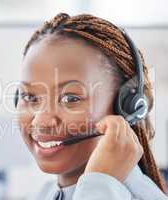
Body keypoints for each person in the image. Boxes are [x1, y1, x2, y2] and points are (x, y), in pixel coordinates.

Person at [15, 13, 168, 199]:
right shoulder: (46, 193)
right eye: (29, 97)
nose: (41, 121)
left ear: (127, 107)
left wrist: (100, 183)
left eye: (70, 99)